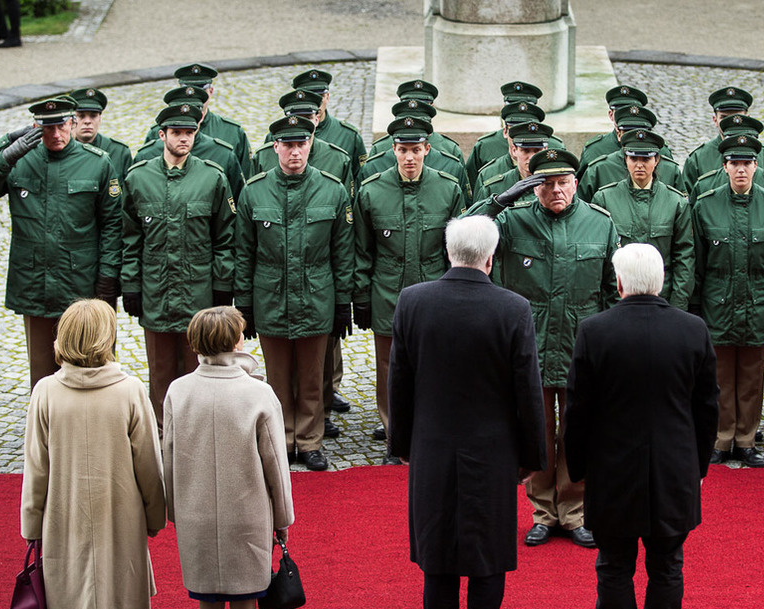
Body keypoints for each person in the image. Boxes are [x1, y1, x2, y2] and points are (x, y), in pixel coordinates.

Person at [389, 215, 546, 609]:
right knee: (487, 560)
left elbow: (398, 381)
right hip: (493, 454)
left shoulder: (412, 301)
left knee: (437, 563)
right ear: (491, 258)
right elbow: (527, 392)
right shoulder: (514, 308)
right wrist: (532, 457)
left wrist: (401, 445)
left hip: (432, 449)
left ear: (449, 251)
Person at [564, 243, 719, 609]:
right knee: (667, 565)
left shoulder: (594, 331)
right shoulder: (693, 329)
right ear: (662, 279)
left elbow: (577, 410)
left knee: (614, 566)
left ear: (618, 283)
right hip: (674, 471)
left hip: (613, 472)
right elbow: (707, 411)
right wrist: (698, 468)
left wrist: (577, 469)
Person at [479, 148, 619, 549]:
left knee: (578, 433)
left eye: (563, 183)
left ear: (576, 183)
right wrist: (499, 200)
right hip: (530, 347)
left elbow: (611, 293)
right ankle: (542, 511)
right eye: (547, 185)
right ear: (535, 187)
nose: (556, 191)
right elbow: (464, 233)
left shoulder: (600, 223)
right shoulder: (513, 220)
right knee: (537, 432)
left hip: (581, 348)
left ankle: (574, 511)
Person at [20, 299, 166, 609]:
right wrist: (155, 515)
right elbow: (148, 463)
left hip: (63, 516)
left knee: (68, 606)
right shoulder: (130, 390)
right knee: (113, 608)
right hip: (119, 515)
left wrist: (31, 524)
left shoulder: (45, 393)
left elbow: (36, 468)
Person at [163, 306, 294, 609]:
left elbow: (169, 459)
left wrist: (175, 513)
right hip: (246, 517)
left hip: (196, 517)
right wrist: (283, 518)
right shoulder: (258, 393)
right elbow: (276, 467)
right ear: (236, 343)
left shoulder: (178, 391)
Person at [0, 96, 124, 389]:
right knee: (42, 372)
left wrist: (108, 277)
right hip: (35, 284)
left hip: (81, 284)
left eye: (61, 126)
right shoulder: (19, 160)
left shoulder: (96, 163)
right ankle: (45, 431)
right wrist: (7, 147)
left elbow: (112, 226)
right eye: (47, 128)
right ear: (34, 127)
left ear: (72, 123)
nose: (55, 134)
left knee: (93, 366)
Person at [233, 115, 354, 472]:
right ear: (276, 148)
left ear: (310, 145)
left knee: (313, 378)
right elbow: (244, 252)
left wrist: (342, 303)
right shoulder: (254, 191)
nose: (295, 152)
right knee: (279, 377)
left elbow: (342, 253)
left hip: (317, 295)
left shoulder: (332, 190)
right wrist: (244, 306)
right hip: (270, 296)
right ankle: (284, 439)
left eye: (301, 144)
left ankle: (310, 440)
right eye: (288, 145)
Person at [352, 116, 464, 463]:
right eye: (403, 150)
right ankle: (394, 436)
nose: (410, 157)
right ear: (393, 151)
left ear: (427, 149)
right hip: (388, 291)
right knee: (388, 366)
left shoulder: (448, 189)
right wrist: (361, 298)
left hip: (434, 290)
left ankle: (429, 432)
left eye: (416, 150)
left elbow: (455, 251)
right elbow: (362, 251)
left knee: (434, 364)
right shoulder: (371, 191)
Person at [122, 103, 236, 430]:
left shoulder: (212, 178)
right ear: (162, 135)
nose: (184, 139)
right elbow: (130, 239)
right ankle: (161, 432)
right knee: (159, 373)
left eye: (189, 133)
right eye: (177, 133)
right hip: (155, 293)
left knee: (197, 369)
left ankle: (196, 432)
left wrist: (222, 285)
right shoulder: (139, 178)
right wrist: (130, 285)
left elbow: (225, 237)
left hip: (197, 294)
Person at [691, 135, 764, 468]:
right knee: (719, 376)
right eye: (734, 164)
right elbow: (698, 262)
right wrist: (695, 306)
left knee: (751, 376)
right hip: (717, 303)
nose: (740, 170)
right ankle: (721, 438)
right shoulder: (704, 204)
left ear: (756, 166)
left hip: (758, 301)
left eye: (746, 163)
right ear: (724, 167)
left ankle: (746, 439)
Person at [590, 129, 694, 310]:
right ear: (625, 160)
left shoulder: (675, 203)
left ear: (656, 160)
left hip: (662, 300)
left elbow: (684, 257)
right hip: (617, 301)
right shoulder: (605, 198)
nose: (639, 165)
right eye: (633, 159)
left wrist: (677, 307)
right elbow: (597, 259)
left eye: (645, 159)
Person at [680, 86, 764, 195]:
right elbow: (689, 204)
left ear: (747, 117)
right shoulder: (698, 158)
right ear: (715, 120)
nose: (731, 122)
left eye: (736, 117)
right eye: (724, 118)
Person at [291, 68, 368, 177]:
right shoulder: (278, 136)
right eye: (309, 97)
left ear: (327, 97)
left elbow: (360, 178)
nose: (315, 103)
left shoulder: (348, 136)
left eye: (320, 97)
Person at [68, 88, 134, 188]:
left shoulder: (119, 152)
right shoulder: (63, 150)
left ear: (99, 119)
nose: (87, 121)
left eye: (93, 116)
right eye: (81, 116)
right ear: (72, 120)